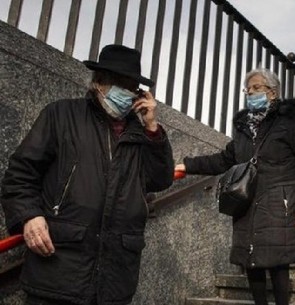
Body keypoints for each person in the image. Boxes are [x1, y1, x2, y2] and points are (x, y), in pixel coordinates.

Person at [1, 44, 174, 305]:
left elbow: (161, 179)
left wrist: (152, 128)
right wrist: (28, 216)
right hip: (58, 271)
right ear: (99, 82)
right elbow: (21, 173)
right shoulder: (61, 114)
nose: (125, 92)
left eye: (131, 86)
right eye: (118, 83)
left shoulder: (141, 134)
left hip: (115, 280)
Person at [175, 68, 295, 305]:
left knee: (277, 261)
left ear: (272, 93)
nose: (251, 93)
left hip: (279, 202)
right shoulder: (245, 129)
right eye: (248, 89)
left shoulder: (291, 122)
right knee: (251, 259)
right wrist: (187, 166)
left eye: (257, 88)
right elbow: (223, 159)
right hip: (248, 201)